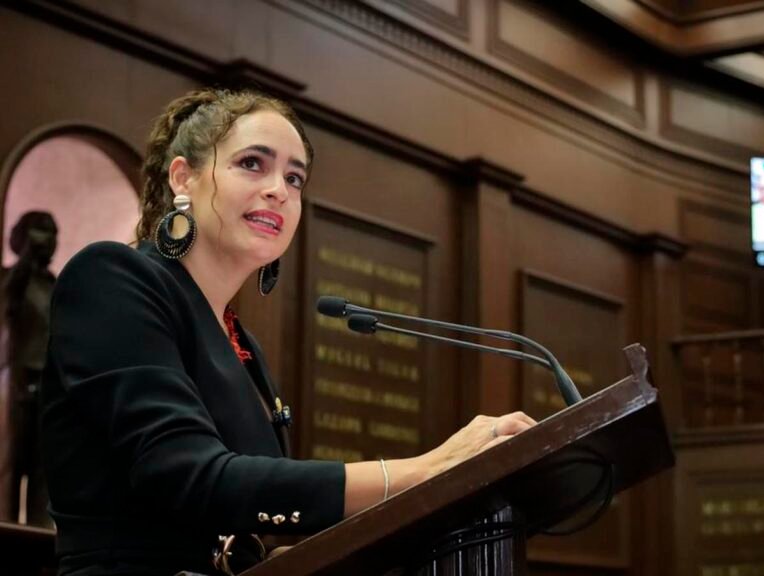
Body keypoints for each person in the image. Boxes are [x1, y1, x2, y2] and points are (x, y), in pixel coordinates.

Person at [40, 88, 537, 576]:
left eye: (295, 177)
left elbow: (240, 527)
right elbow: (191, 478)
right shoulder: (111, 279)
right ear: (182, 177)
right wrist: (426, 470)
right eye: (252, 163)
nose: (279, 189)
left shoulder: (241, 342)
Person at [2, 211, 58, 526]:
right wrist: (24, 259)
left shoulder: (53, 284)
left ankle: (39, 541)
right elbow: (8, 301)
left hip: (47, 387)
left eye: (52, 232)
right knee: (7, 468)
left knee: (43, 476)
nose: (47, 239)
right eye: (40, 230)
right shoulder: (9, 279)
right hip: (14, 382)